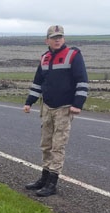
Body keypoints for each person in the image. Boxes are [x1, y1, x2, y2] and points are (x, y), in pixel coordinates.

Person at [23, 25, 89, 197]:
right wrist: (29, 102)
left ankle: (52, 183)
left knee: (58, 146)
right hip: (47, 107)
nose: (57, 39)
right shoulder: (44, 58)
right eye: (54, 37)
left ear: (64, 39)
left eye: (60, 37)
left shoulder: (73, 55)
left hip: (64, 108)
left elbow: (82, 80)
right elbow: (38, 83)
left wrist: (78, 104)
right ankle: (44, 178)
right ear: (47, 40)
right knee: (46, 144)